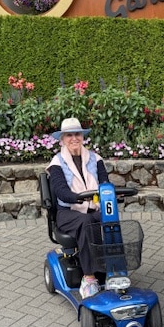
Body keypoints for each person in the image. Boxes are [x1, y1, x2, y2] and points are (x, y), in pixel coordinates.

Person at [46, 117, 109, 299]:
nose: (74, 138)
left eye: (77, 134)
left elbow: (105, 182)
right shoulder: (57, 162)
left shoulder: (96, 159)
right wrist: (81, 197)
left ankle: (113, 270)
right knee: (87, 221)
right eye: (69, 135)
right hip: (68, 212)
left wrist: (109, 193)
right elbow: (60, 191)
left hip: (93, 208)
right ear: (62, 140)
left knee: (109, 219)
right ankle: (89, 277)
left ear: (82, 137)